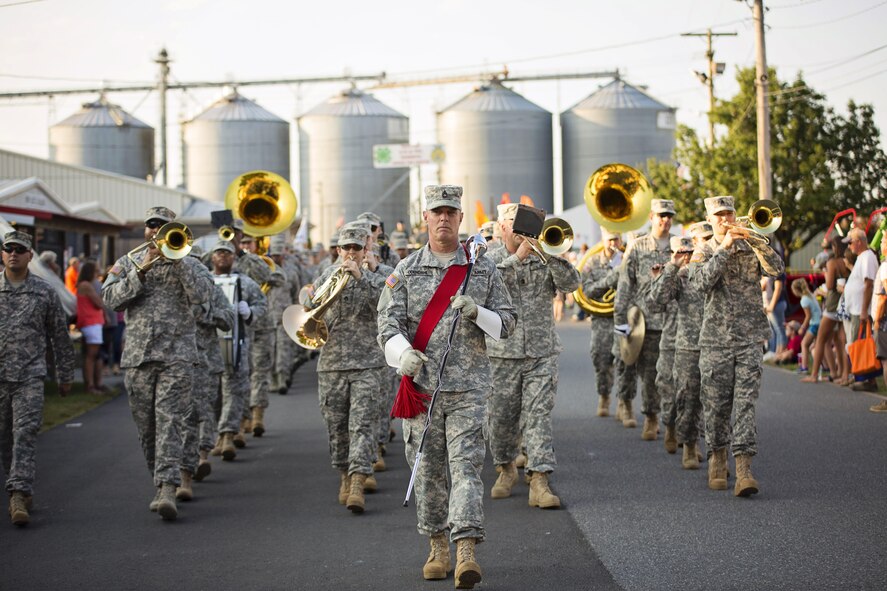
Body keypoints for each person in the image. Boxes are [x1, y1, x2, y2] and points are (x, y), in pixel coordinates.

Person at [377, 185, 515, 589]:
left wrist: (479, 313)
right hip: (421, 392)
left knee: (467, 469)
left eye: (450, 213)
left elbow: (507, 323)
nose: (443, 219)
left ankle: (466, 548)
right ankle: (437, 544)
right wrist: (402, 354)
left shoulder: (481, 270)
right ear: (426, 218)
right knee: (429, 473)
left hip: (468, 389)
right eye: (436, 212)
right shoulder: (405, 270)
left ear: (459, 219)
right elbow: (387, 325)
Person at [103, 207, 214, 521]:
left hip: (177, 355)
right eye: (152, 225)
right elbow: (110, 299)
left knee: (170, 422)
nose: (157, 231)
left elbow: (204, 295)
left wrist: (179, 264)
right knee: (147, 427)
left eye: (164, 226)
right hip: (138, 357)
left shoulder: (191, 262)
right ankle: (160, 477)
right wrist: (139, 272)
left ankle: (167, 487)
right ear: (145, 230)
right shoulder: (128, 262)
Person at [485, 203, 580, 508]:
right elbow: (481, 287)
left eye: (525, 224)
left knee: (538, 416)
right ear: (501, 228)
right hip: (502, 355)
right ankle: (506, 468)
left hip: (541, 352)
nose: (520, 230)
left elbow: (572, 283)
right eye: (514, 224)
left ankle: (539, 480)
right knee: (501, 420)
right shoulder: (490, 259)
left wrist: (550, 256)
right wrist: (516, 259)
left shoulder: (544, 256)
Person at [689, 196, 784, 497]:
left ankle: (743, 469)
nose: (725, 219)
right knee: (716, 406)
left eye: (729, 213)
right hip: (716, 342)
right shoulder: (702, 251)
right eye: (719, 215)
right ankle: (717, 457)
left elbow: (777, 269)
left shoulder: (751, 244)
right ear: (710, 218)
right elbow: (699, 285)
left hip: (749, 338)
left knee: (745, 405)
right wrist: (723, 248)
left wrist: (758, 241)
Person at [0, 231, 75, 526]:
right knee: (5, 437)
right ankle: (17, 484)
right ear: (2, 254)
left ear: (31, 255)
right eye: (9, 249)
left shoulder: (43, 292)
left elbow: (59, 335)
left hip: (30, 376)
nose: (14, 254)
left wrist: (65, 374)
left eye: (21, 249)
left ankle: (19, 492)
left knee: (25, 433)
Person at [311, 225, 387, 513]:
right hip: (331, 365)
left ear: (366, 249)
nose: (352, 253)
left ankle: (358, 480)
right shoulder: (325, 278)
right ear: (338, 250)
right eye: (347, 248)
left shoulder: (378, 279)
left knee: (362, 424)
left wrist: (362, 278)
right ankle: (344, 473)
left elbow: (386, 305)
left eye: (357, 247)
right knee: (337, 427)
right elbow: (310, 311)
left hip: (368, 363)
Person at [614, 199, 676, 437]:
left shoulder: (679, 245)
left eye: (669, 215)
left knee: (673, 376)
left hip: (673, 321)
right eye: (661, 215)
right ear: (651, 216)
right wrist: (621, 320)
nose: (666, 220)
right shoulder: (638, 247)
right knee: (650, 374)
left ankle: (673, 422)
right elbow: (625, 284)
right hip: (646, 323)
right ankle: (651, 416)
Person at [209, 240, 266, 460]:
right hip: (209, 347)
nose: (223, 256)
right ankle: (217, 433)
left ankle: (227, 435)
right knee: (213, 394)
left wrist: (250, 311)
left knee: (234, 390)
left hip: (236, 345)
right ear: (212, 257)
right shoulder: (204, 279)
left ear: (234, 257)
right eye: (219, 252)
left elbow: (262, 304)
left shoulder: (245, 282)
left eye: (228, 253)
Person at [581, 230, 623, 418]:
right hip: (602, 320)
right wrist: (610, 280)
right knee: (601, 359)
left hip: (624, 318)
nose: (613, 243)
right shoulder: (593, 262)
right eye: (609, 240)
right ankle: (604, 395)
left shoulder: (627, 259)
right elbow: (587, 290)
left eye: (616, 239)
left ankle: (624, 402)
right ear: (603, 241)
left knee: (625, 362)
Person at [802, 236, 850, 384]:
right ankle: (844, 375)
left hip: (832, 303)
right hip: (846, 303)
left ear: (835, 247)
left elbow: (829, 286)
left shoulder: (832, 262)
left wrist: (827, 274)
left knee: (821, 340)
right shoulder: (848, 261)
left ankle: (814, 374)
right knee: (841, 341)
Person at [842, 228, 879, 391]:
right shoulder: (862, 257)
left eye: (850, 242)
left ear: (859, 242)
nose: (849, 246)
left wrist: (864, 310)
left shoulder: (867, 257)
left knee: (860, 343)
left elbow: (868, 283)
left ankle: (866, 379)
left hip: (860, 310)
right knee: (857, 343)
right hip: (856, 309)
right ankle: (862, 376)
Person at [75, 261, 106, 393]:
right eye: (95, 271)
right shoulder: (86, 285)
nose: (97, 274)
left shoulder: (83, 285)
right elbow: (99, 303)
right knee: (91, 355)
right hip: (91, 321)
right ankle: (91, 385)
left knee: (93, 355)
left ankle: (93, 383)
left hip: (91, 322)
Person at [871, 236, 887, 412]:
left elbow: (883, 296)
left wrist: (876, 320)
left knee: (885, 360)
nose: (880, 244)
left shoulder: (885, 266)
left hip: (883, 321)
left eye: (883, 241)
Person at [791, 278, 821, 373]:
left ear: (796, 290)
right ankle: (825, 366)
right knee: (816, 346)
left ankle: (804, 367)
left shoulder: (804, 300)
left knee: (804, 344)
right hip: (819, 322)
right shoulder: (811, 295)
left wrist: (802, 328)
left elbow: (808, 316)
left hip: (815, 324)